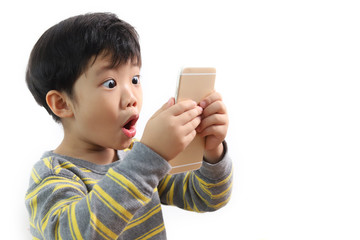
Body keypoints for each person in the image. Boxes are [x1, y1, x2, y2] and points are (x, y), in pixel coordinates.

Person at [25, 12, 233, 239]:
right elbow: (75, 233)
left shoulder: (134, 156)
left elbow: (207, 197)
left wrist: (212, 150)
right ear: (62, 104)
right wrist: (151, 155)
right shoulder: (52, 175)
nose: (132, 96)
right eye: (110, 83)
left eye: (135, 79)